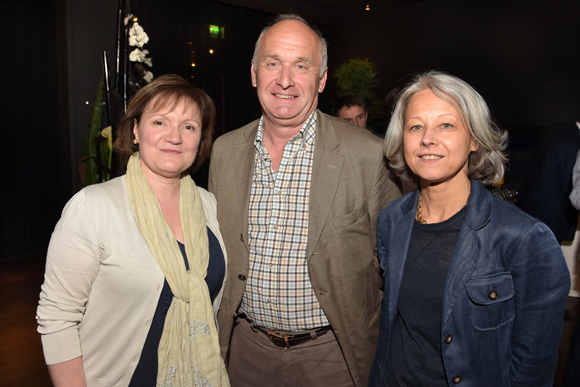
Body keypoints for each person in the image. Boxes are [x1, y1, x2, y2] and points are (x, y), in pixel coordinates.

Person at [208, 13, 400, 387]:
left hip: (334, 358)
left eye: (301, 65)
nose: (284, 80)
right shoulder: (225, 152)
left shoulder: (368, 155)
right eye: (273, 63)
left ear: (322, 78)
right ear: (253, 73)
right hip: (245, 354)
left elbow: (390, 267)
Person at [368, 70, 570, 387]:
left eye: (445, 125)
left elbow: (533, 369)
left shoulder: (524, 239)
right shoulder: (392, 219)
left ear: (474, 139)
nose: (427, 138)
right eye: (415, 126)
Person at [36, 75, 230, 387]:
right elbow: (57, 318)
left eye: (189, 126)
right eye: (160, 122)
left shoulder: (208, 205)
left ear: (199, 140)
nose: (175, 137)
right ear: (136, 130)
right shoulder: (93, 207)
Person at [518, 122, 580, 243]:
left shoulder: (559, 128)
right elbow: (569, 186)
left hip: (530, 206)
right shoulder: (573, 145)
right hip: (552, 218)